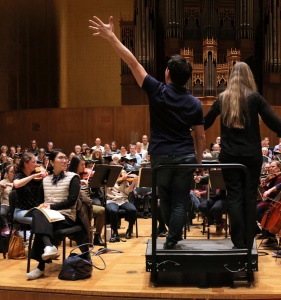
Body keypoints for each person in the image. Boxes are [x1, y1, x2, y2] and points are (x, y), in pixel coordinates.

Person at [91, 16, 205, 250]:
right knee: (180, 200)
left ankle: (169, 237)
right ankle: (173, 239)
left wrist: (112, 37)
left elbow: (133, 63)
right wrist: (199, 160)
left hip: (161, 156)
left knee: (163, 197)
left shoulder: (158, 91)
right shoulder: (195, 103)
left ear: (167, 74)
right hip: (184, 156)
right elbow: (201, 136)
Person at [203, 62, 281, 249]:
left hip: (229, 157)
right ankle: (249, 240)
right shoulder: (254, 98)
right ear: (248, 77)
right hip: (251, 157)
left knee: (234, 197)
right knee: (250, 197)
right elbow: (272, 119)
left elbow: (205, 122)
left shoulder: (222, 98)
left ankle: (238, 241)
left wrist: (189, 127)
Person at [26, 153, 92, 280]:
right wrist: (42, 207)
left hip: (66, 216)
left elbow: (71, 201)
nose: (64, 160)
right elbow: (39, 201)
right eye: (60, 158)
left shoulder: (73, 178)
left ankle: (41, 266)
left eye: (65, 158)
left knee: (40, 221)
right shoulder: (45, 180)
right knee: (37, 212)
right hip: (48, 216)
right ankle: (49, 247)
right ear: (51, 162)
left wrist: (50, 207)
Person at [13, 152, 47, 225]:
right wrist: (32, 177)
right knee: (41, 221)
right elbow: (16, 184)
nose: (36, 164)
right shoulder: (19, 175)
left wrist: (45, 176)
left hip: (36, 210)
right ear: (25, 164)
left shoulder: (37, 175)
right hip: (21, 211)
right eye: (33, 162)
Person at [106, 170, 139, 242]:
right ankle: (115, 232)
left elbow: (127, 191)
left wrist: (133, 183)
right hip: (112, 200)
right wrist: (119, 179)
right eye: (121, 174)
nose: (124, 175)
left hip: (123, 200)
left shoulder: (125, 181)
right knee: (113, 211)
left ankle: (129, 230)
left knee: (133, 210)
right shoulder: (109, 180)